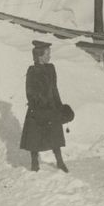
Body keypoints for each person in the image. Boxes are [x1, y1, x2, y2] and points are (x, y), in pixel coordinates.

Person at [20, 40, 69, 173]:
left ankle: (60, 162)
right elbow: (29, 92)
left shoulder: (51, 68)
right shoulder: (32, 71)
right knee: (34, 137)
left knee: (55, 135)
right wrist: (41, 105)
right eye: (47, 54)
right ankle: (34, 163)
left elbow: (54, 89)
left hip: (51, 107)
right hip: (38, 109)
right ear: (40, 56)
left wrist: (59, 106)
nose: (49, 56)